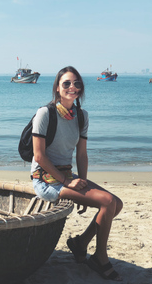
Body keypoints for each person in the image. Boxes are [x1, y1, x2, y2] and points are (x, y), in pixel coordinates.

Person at [31, 66, 123, 281]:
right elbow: (39, 157)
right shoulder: (45, 113)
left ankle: (80, 243)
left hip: (67, 176)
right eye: (67, 83)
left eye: (77, 83)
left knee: (116, 204)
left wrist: (82, 181)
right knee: (107, 202)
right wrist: (67, 183)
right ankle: (100, 257)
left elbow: (81, 154)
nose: (72, 87)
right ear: (57, 88)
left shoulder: (81, 116)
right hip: (45, 178)